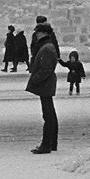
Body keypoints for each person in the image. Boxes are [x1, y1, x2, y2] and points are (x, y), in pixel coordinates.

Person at [27, 23, 59, 154]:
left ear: (43, 33)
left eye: (38, 32)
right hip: (47, 84)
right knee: (50, 114)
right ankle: (51, 143)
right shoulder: (48, 46)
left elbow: (46, 69)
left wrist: (35, 79)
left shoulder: (46, 48)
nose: (36, 34)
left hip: (45, 84)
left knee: (48, 115)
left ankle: (46, 145)